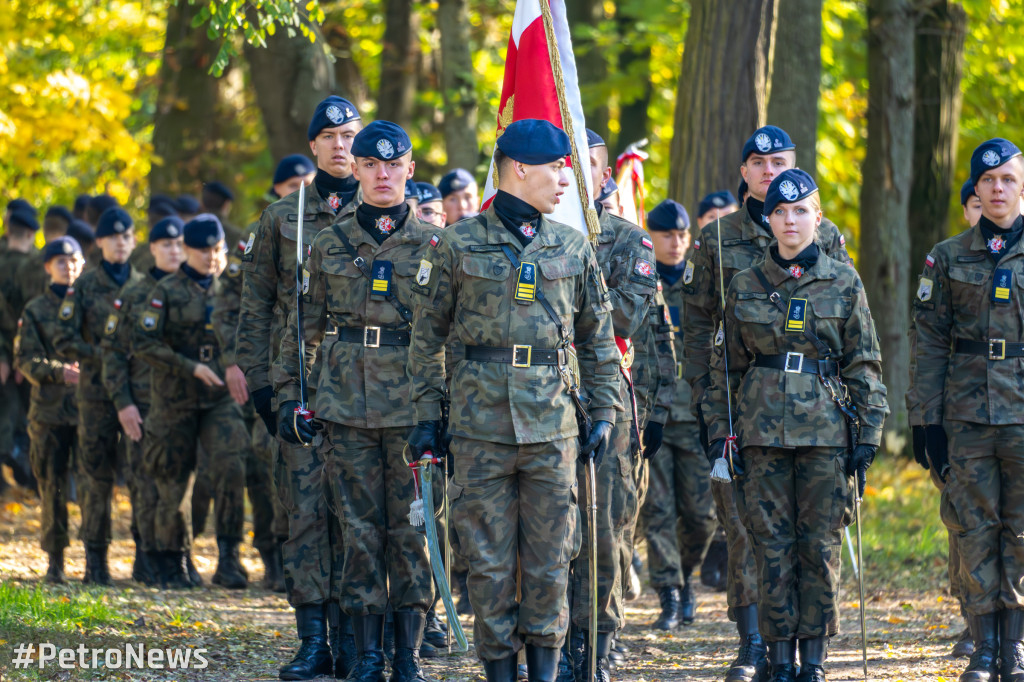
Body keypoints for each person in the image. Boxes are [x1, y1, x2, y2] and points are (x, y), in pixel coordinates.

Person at [407, 118, 621, 682]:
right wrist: (428, 417)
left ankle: (546, 671)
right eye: (556, 168)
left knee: (552, 558)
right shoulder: (456, 243)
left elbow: (597, 339)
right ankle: (500, 671)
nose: (564, 180)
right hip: (478, 428)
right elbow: (426, 340)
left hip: (553, 425)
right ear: (519, 168)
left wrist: (604, 412)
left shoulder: (572, 246)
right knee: (487, 560)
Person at [703, 169, 887, 682]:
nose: (790, 220)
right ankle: (778, 656)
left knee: (819, 548)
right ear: (769, 219)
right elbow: (725, 371)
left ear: (817, 217)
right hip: (761, 437)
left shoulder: (843, 281)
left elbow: (864, 364)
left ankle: (814, 660)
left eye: (800, 210)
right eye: (781, 212)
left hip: (826, 436)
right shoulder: (744, 284)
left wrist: (868, 435)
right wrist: (720, 432)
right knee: (771, 548)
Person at [682, 125, 851, 682]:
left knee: (807, 537)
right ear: (744, 173)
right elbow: (699, 326)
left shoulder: (824, 236)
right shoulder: (718, 239)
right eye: (759, 162)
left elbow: (851, 331)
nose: (770, 171)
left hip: (816, 419)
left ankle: (806, 650)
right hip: (743, 408)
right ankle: (753, 640)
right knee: (747, 530)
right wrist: (707, 406)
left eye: (780, 161)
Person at [274, 119, 435, 682]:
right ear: (357, 170)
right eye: (371, 164)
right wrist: (295, 398)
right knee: (360, 531)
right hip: (344, 404)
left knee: (412, 529)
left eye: (394, 165)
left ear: (410, 170)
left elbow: (454, 337)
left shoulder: (438, 246)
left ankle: (409, 653)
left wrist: (447, 411)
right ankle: (367, 653)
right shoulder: (327, 242)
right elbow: (304, 329)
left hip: (415, 407)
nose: (383, 174)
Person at [238, 95, 363, 680]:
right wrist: (263, 389)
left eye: (350, 134)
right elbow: (255, 309)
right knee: (306, 514)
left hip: (370, 391)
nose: (341, 144)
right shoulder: (281, 218)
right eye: (330, 136)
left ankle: (363, 639)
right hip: (301, 387)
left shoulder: (383, 209)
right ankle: (313, 638)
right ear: (312, 146)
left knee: (362, 516)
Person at [910, 138, 1024, 682]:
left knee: (1022, 531)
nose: (997, 189)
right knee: (974, 527)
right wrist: (925, 420)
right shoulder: (948, 256)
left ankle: (1016, 647)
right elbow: (928, 341)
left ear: (1021, 185)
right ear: (975, 189)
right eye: (988, 181)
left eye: (1007, 179)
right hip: (966, 413)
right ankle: (982, 647)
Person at [556, 130, 659, 681]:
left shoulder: (628, 241)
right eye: (566, 164)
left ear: (603, 176)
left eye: (589, 165)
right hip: (540, 393)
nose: (578, 174)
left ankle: (595, 645)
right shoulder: (535, 238)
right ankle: (546, 643)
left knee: (603, 528)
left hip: (603, 399)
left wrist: (559, 297)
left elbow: (624, 317)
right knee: (548, 527)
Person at [132, 215, 250, 590]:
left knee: (231, 465)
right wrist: (190, 366)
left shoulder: (233, 290)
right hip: (174, 399)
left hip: (219, 398)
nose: (212, 258)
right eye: (203, 251)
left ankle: (230, 555)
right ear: (186, 250)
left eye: (218, 250)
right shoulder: (164, 290)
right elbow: (144, 343)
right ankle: (176, 559)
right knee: (173, 479)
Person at [53, 206, 144, 585]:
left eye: (126, 237)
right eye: (113, 238)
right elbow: (62, 338)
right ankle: (96, 558)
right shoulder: (84, 286)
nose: (120, 243)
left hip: (139, 395)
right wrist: (103, 354)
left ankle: (146, 554)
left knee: (142, 475)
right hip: (95, 396)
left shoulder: (144, 284)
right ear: (101, 242)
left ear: (134, 241)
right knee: (96, 477)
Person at [640, 199, 716, 632]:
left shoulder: (699, 283)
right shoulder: (641, 282)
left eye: (683, 235)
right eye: (667, 235)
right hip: (652, 412)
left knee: (701, 514)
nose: (676, 243)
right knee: (658, 509)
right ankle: (669, 593)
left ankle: (686, 574)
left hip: (693, 412)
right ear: (652, 237)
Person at [100, 216, 188, 586]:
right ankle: (147, 555)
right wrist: (123, 403)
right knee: (145, 484)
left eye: (178, 244)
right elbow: (113, 353)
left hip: (185, 406)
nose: (173, 250)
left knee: (182, 487)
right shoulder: (134, 295)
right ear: (151, 248)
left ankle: (179, 559)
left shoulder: (195, 290)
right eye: (165, 244)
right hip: (145, 405)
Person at [14, 236, 85, 583]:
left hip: (89, 411)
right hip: (49, 413)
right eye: (60, 261)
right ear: (48, 267)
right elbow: (25, 359)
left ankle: (96, 560)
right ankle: (55, 560)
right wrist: (60, 372)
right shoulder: (35, 310)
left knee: (92, 486)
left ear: (82, 265)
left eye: (73, 261)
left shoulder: (92, 306)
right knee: (52, 487)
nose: (68, 267)